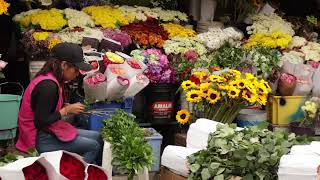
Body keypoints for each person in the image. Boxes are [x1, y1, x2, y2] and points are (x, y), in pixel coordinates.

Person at [16, 42, 102, 165]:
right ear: (64, 65)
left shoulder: (52, 79)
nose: (77, 74)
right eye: (76, 70)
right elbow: (41, 121)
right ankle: (76, 174)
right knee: (93, 146)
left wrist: (63, 107)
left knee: (97, 137)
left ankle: (93, 173)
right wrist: (66, 110)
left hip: (48, 130)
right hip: (38, 138)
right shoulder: (48, 86)